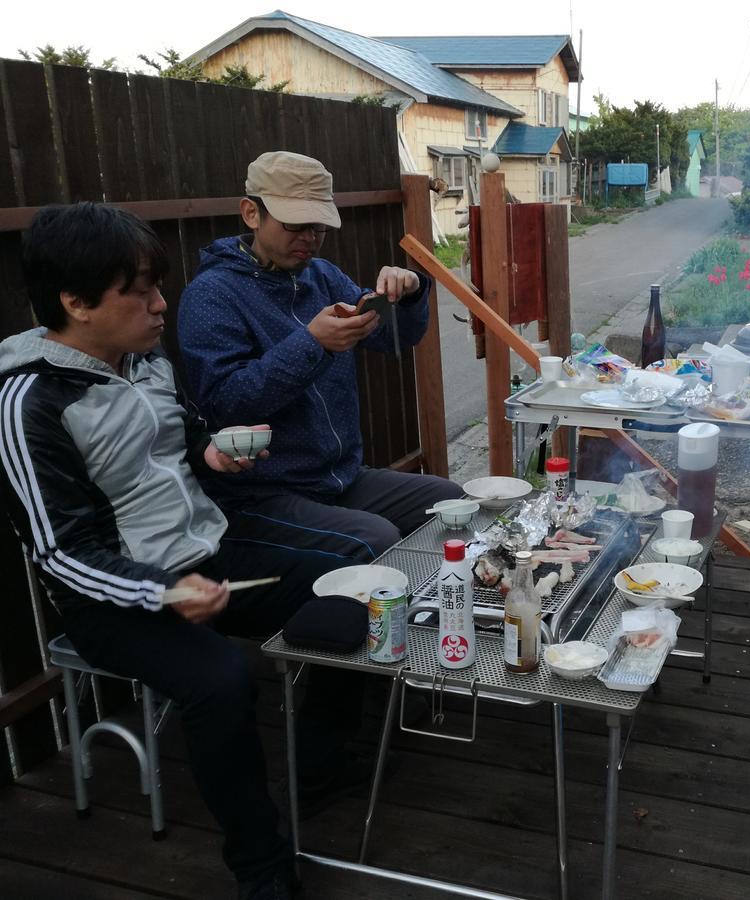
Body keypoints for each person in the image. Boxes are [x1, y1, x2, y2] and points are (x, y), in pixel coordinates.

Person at [0, 203, 363, 900]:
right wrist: (161, 592)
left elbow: (185, 434)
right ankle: (262, 868)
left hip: (205, 548)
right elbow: (58, 551)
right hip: (111, 597)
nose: (162, 304)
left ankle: (317, 769)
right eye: (139, 290)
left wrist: (210, 450)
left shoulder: (143, 359)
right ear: (75, 302)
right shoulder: (30, 402)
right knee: (223, 679)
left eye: (157, 285)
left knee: (353, 578)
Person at [177, 151, 460, 562]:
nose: (310, 236)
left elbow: (393, 338)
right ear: (251, 213)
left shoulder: (322, 276)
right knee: (376, 540)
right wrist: (314, 343)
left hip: (339, 479)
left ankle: (441, 611)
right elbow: (226, 402)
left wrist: (410, 291)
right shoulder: (211, 295)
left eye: (319, 226)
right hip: (262, 493)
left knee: (451, 503)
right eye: (296, 224)